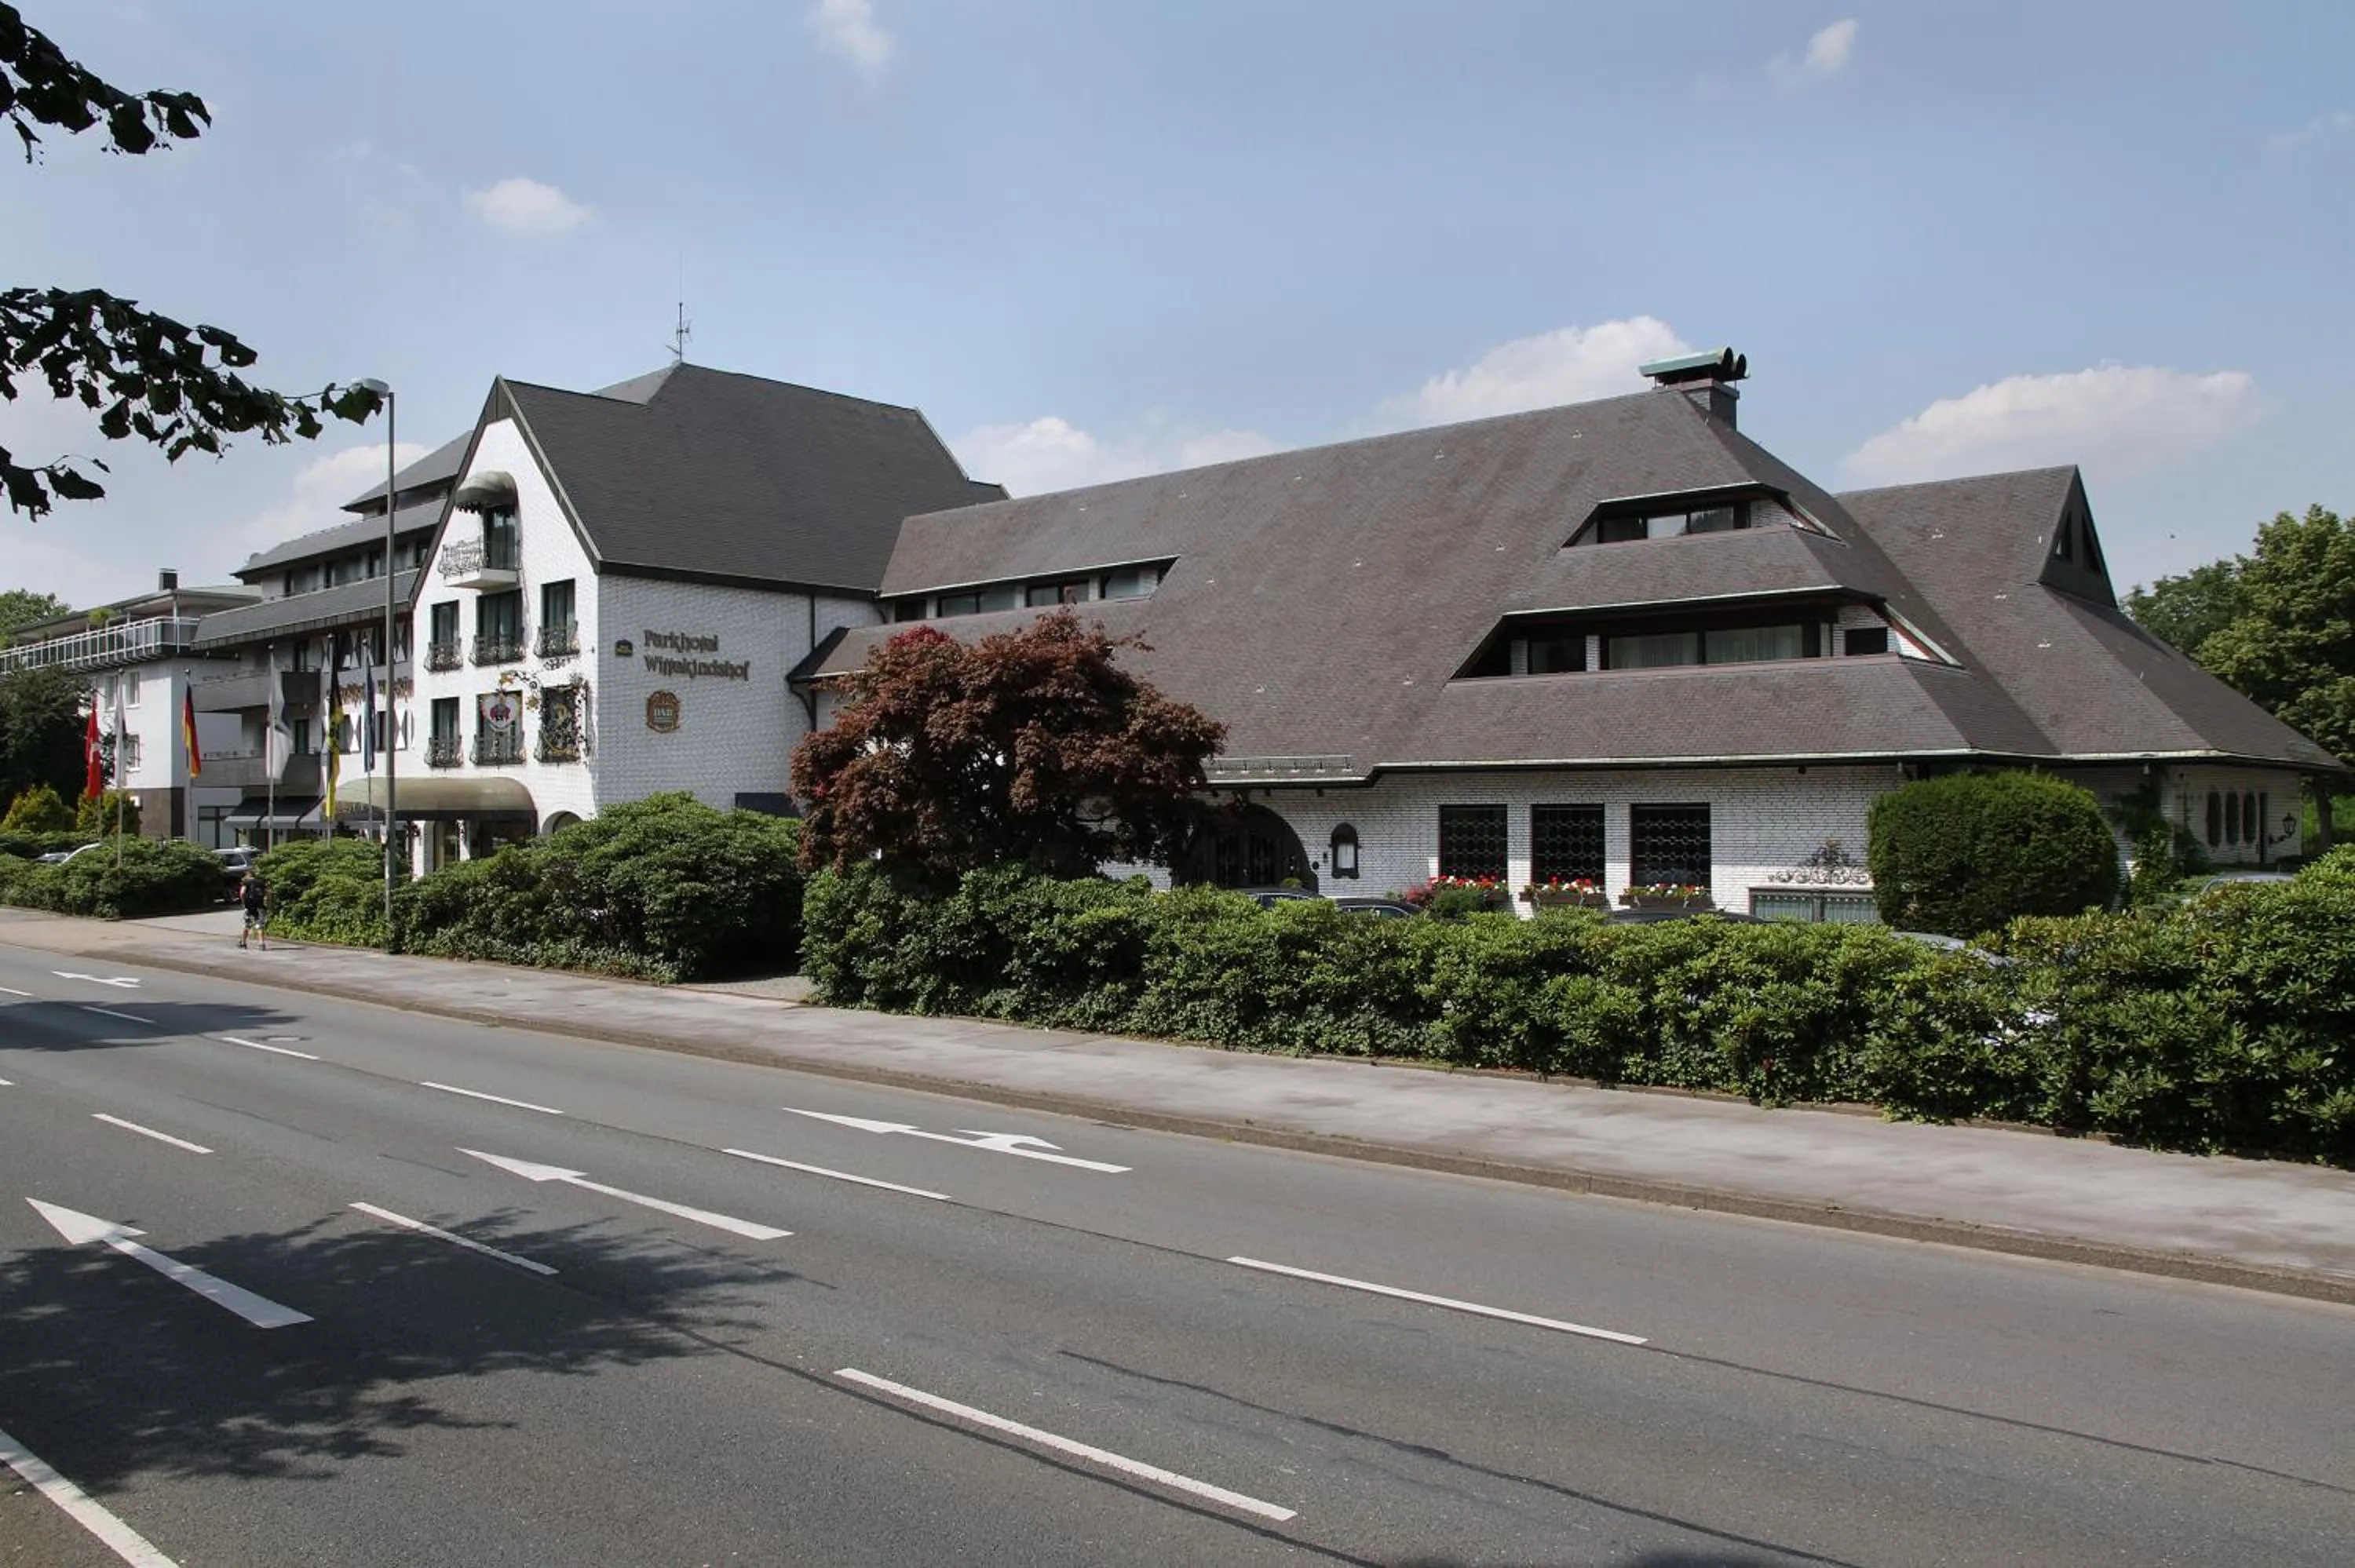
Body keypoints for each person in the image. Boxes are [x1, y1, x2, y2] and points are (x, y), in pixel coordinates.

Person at [237, 867, 269, 950]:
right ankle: (261, 944)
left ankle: (243, 943)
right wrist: (269, 903)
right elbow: (268, 894)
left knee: (247, 925)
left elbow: (242, 893)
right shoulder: (261, 882)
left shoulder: (246, 882)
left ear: (248, 875)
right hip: (260, 906)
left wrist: (244, 902)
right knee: (260, 925)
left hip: (249, 907)